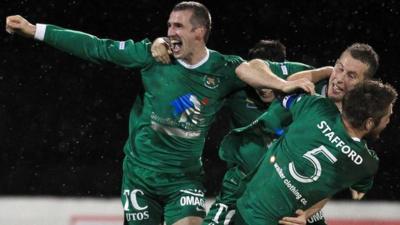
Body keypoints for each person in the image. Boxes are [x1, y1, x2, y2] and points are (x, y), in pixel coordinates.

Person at [5, 2, 314, 225]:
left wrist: (285, 85)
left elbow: (256, 69)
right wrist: (35, 31)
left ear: (200, 31)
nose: (169, 32)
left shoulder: (224, 68)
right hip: (139, 175)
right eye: (168, 25)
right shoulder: (152, 56)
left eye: (178, 26)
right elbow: (97, 47)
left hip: (184, 178)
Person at [233, 43, 380, 224]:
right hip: (255, 180)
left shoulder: (355, 124)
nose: (340, 79)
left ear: (363, 85)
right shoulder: (309, 84)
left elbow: (332, 182)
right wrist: (323, 72)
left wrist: (308, 213)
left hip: (296, 200)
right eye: (340, 69)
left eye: (351, 75)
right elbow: (250, 68)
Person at [202, 40, 331, 225]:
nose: (262, 86)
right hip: (244, 184)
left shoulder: (305, 88)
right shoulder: (237, 89)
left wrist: (330, 71)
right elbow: (201, 95)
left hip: (290, 188)